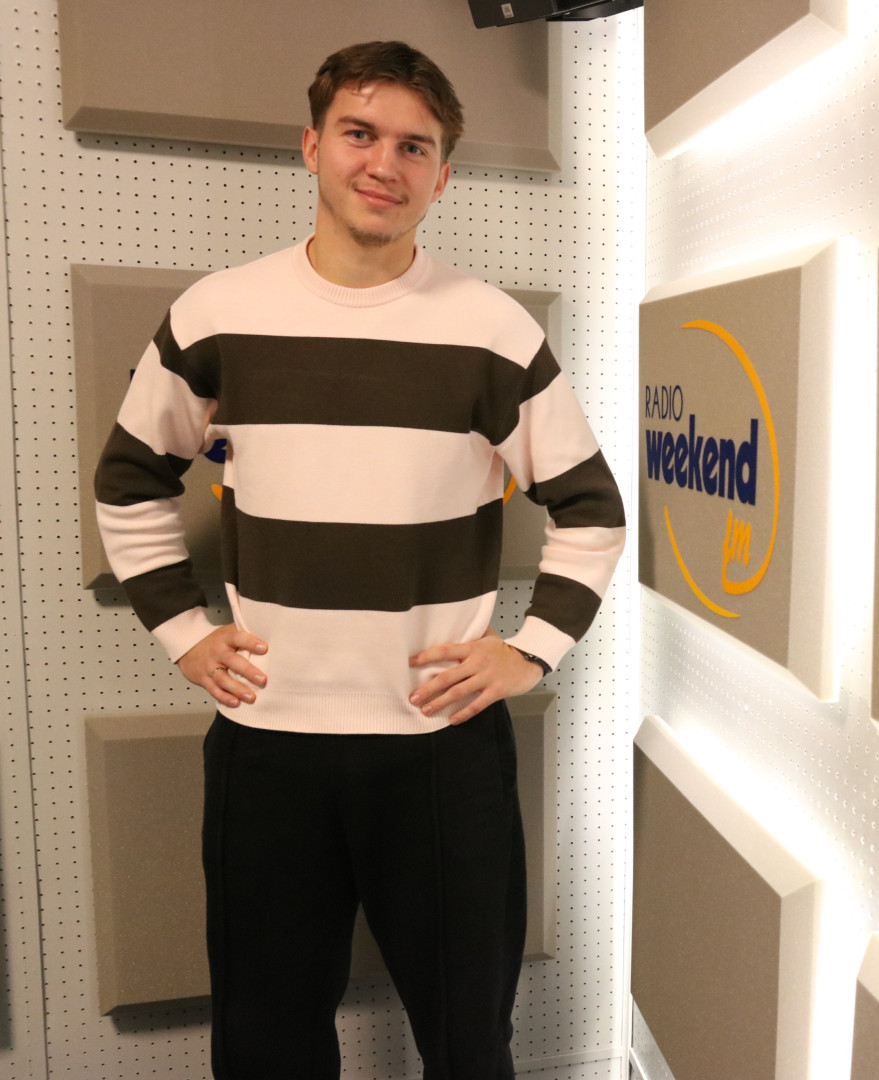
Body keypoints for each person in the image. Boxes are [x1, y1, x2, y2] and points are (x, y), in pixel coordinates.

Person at [91, 40, 624, 1079]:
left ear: (443, 175)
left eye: (414, 146)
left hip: (441, 748)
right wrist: (185, 634)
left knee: (470, 1044)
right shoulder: (215, 316)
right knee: (266, 1044)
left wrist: (532, 651)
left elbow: (591, 509)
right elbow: (129, 479)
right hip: (268, 745)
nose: (385, 163)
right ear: (312, 146)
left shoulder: (494, 332)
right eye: (360, 133)